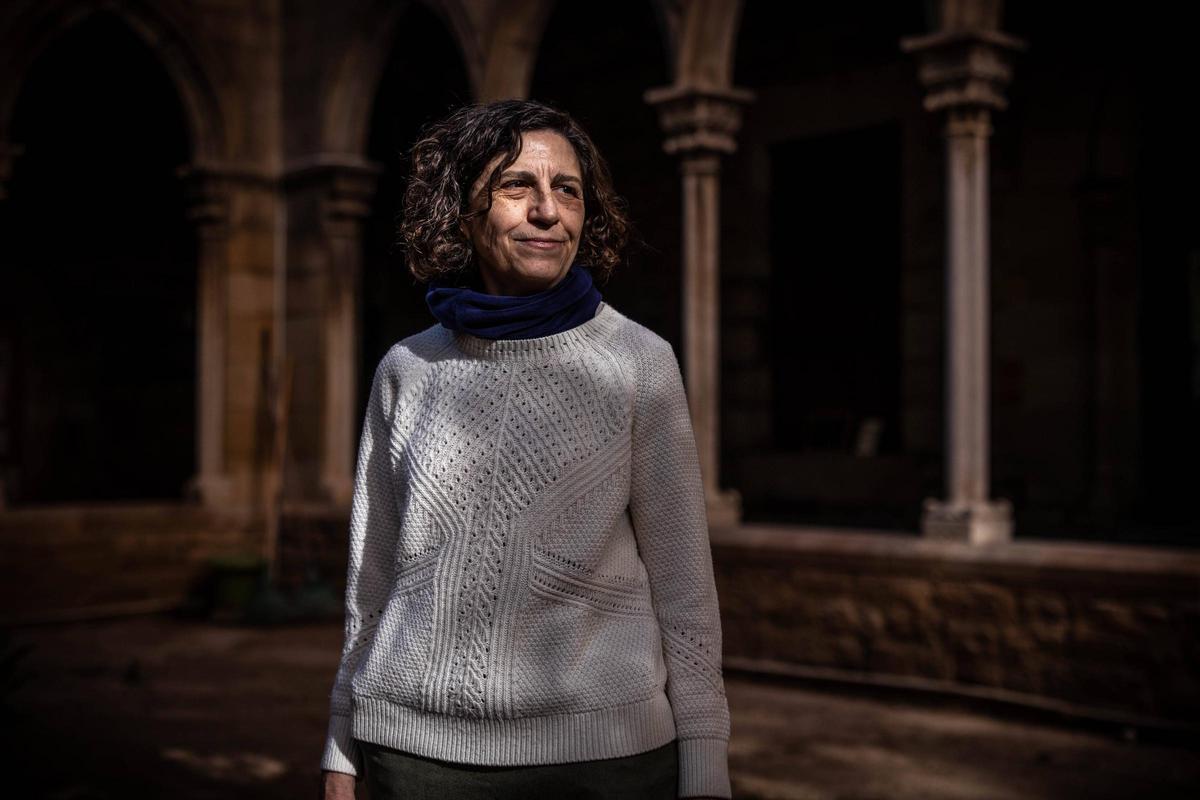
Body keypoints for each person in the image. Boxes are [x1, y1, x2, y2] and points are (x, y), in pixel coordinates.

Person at [319, 99, 730, 800]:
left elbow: (685, 589)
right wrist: (340, 744)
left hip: (605, 764)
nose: (547, 211)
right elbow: (371, 580)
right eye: (517, 186)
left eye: (567, 190)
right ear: (461, 212)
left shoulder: (639, 362)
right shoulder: (407, 370)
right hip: (413, 758)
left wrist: (706, 765)